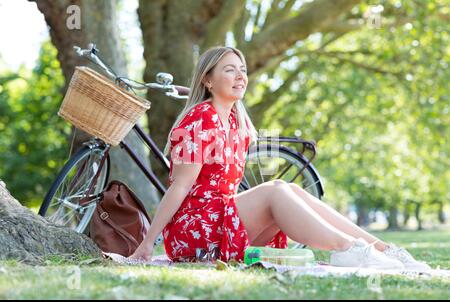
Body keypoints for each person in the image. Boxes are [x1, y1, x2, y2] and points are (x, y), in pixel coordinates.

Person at [130, 46, 430, 270]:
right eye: (229, 70)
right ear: (207, 80)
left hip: (224, 224)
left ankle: (384, 249)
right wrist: (148, 243)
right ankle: (348, 250)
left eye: (242, 69)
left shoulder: (237, 122)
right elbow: (180, 187)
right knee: (274, 190)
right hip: (196, 231)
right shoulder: (199, 120)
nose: (240, 76)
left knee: (291, 190)